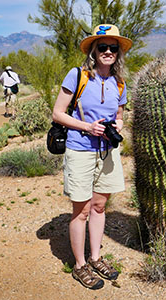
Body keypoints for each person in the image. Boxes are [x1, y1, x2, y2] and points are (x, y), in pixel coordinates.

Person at [52, 24, 132, 290]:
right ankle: (79, 265)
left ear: (118, 52)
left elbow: (120, 116)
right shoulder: (78, 76)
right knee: (82, 210)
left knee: (99, 206)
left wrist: (118, 126)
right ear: (94, 51)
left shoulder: (119, 83)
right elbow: (58, 113)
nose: (108, 52)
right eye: (103, 47)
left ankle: (96, 258)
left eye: (113, 47)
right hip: (80, 150)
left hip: (107, 151)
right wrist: (88, 127)